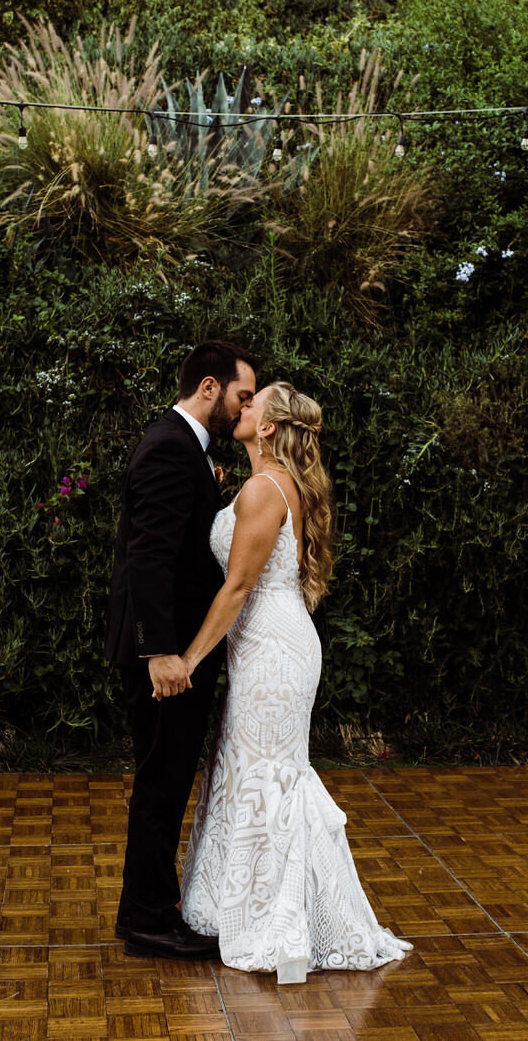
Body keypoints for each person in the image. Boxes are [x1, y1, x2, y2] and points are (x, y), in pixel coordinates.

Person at [178, 382, 410, 984]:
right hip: (267, 646)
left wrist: (191, 659)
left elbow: (238, 587)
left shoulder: (263, 487)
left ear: (267, 427)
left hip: (273, 651)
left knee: (269, 777)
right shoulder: (276, 484)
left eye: (252, 402)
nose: (240, 406)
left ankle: (275, 920)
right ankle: (247, 906)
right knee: (256, 772)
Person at [106, 340, 259, 960]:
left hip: (173, 653)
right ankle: (146, 919)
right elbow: (148, 559)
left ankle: (147, 909)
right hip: (165, 660)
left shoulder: (186, 450)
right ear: (208, 389)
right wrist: (161, 654)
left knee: (166, 780)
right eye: (242, 395)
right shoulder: (172, 447)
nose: (244, 406)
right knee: (162, 784)